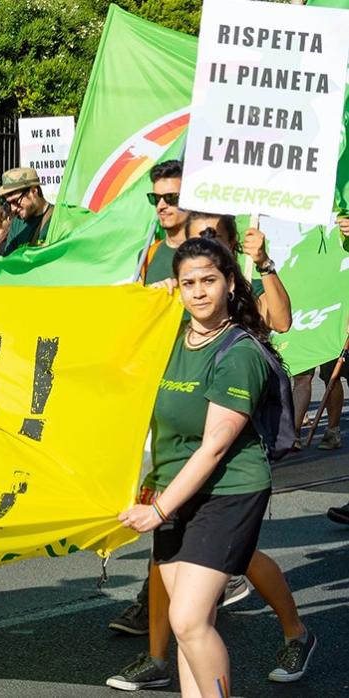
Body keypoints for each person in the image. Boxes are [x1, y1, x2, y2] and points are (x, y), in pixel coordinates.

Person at [107, 215, 310, 690]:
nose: (199, 292)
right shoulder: (172, 336)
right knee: (186, 626)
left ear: (229, 284)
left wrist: (159, 508)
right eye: (188, 283)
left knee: (191, 620)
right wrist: (150, 297)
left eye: (209, 281)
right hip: (172, 485)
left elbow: (217, 444)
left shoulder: (238, 353)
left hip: (227, 492)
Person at [0, 167, 53, 264]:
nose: (13, 209)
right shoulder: (16, 223)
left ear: (34, 191)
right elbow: (9, 263)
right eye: (9, 203)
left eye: (16, 201)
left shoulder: (57, 217)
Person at [139, 160, 192, 285]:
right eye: (156, 198)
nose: (160, 206)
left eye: (171, 197)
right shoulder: (146, 256)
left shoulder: (210, 251)